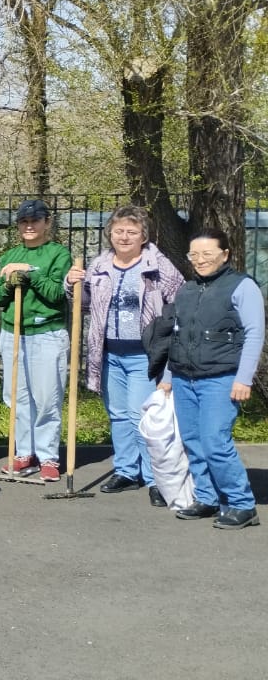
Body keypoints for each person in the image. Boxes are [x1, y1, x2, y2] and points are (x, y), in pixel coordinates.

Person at [64, 206, 182, 505]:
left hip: (144, 354)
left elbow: (180, 300)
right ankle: (127, 471)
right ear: (110, 234)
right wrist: (73, 284)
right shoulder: (101, 265)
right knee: (117, 414)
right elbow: (86, 303)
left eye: (132, 231)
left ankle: (156, 478)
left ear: (143, 236)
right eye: (119, 231)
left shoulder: (158, 265)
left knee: (139, 416)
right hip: (108, 353)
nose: (124, 237)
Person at [159, 229, 263, 529]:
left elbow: (254, 334)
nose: (200, 260)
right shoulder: (187, 289)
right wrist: (168, 375)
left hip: (222, 378)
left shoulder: (242, 286)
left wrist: (244, 379)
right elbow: (176, 335)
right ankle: (206, 497)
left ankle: (242, 504)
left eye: (208, 254)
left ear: (225, 254)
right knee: (193, 441)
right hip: (183, 377)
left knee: (215, 441)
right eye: (194, 255)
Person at [0, 198, 72, 482]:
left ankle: (48, 455)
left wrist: (29, 273)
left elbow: (56, 294)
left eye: (35, 221)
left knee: (47, 397)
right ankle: (24, 452)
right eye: (24, 222)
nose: (29, 226)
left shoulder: (58, 254)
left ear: (46, 223)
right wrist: (8, 284)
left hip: (46, 333)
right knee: (17, 397)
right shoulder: (9, 255)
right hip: (13, 332)